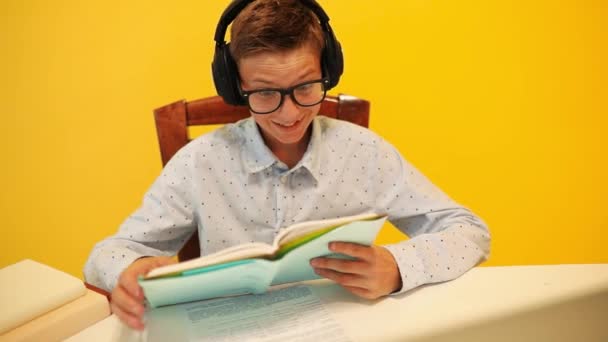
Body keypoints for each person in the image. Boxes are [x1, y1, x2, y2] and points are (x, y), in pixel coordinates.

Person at [84, 0, 490, 331]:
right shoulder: (200, 161)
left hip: (344, 328)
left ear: (327, 71)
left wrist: (399, 267)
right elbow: (108, 253)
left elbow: (470, 233)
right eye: (264, 93)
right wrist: (132, 269)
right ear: (235, 86)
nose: (290, 113)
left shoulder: (364, 153)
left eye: (306, 87)